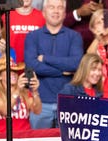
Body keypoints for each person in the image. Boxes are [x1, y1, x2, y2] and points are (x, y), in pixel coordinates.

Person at [24, 0, 83, 129]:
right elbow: (31, 65)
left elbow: (76, 64)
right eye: (51, 7)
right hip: (40, 102)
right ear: (44, 13)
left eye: (60, 8)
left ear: (64, 14)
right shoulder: (32, 37)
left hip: (69, 102)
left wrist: (45, 58)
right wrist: (62, 71)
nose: (56, 11)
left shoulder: (75, 37)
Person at [0, 57, 42, 132]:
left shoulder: (25, 92)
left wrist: (35, 92)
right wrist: (17, 91)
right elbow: (5, 110)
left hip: (24, 137)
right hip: (3, 138)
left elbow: (37, 111)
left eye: (15, 71)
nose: (13, 73)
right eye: (8, 71)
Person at [86, 9, 108, 99]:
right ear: (93, 28)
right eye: (98, 22)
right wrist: (98, 38)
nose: (103, 24)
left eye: (104, 20)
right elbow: (88, 59)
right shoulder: (94, 45)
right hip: (99, 87)